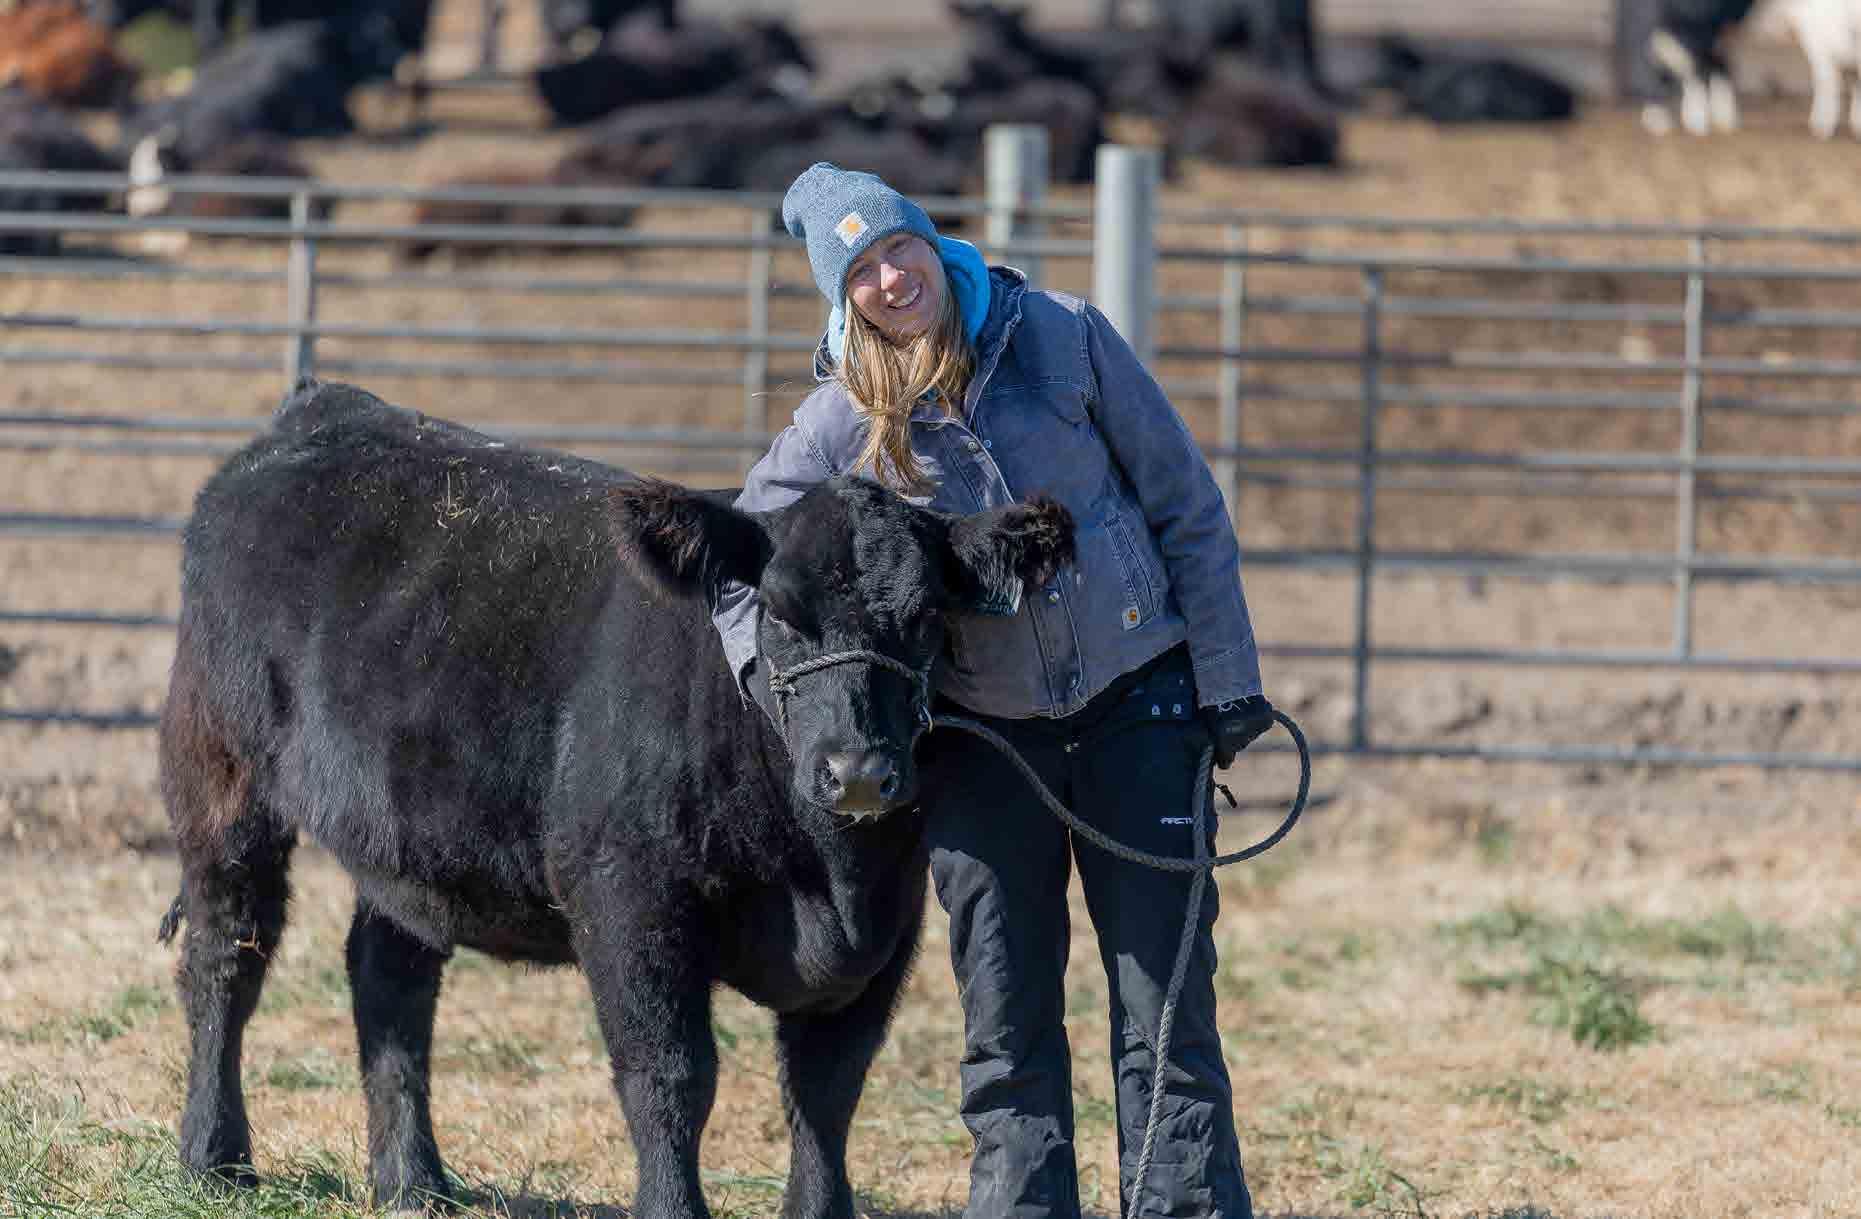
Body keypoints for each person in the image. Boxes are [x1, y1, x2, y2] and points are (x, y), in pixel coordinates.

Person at [711, 162, 1275, 1219]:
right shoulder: (838, 423)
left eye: (899, 248)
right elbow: (738, 565)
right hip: (979, 742)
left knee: (1164, 1004)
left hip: (1139, 704)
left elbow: (1185, 504)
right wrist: (778, 691)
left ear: (931, 242)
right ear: (843, 296)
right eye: (862, 270)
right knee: (1005, 1013)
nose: (891, 278)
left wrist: (1227, 680)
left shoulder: (1062, 336)